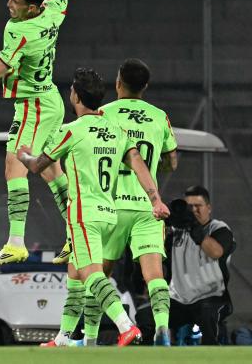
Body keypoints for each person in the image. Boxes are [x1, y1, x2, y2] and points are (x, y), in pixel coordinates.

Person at [0, 0, 115, 267]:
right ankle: (75, 236)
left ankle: (16, 242)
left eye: (15, 1)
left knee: (14, 167)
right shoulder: (50, 12)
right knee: (51, 171)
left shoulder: (21, 32)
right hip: (47, 100)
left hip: (34, 106)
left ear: (31, 8)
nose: (9, 4)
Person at [17, 68, 170, 347]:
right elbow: (139, 164)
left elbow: (39, 165)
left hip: (83, 214)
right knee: (75, 273)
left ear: (75, 96)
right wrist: (155, 199)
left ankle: (126, 327)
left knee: (90, 274)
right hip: (108, 213)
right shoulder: (116, 130)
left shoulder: (71, 131)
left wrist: (24, 154)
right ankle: (65, 338)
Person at [167, 186, 235, 345]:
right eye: (189, 207)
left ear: (209, 208)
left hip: (211, 297)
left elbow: (216, 251)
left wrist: (193, 227)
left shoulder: (219, 228)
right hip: (178, 298)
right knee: (148, 315)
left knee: (207, 314)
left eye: (198, 206)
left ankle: (211, 357)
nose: (193, 210)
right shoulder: (177, 231)